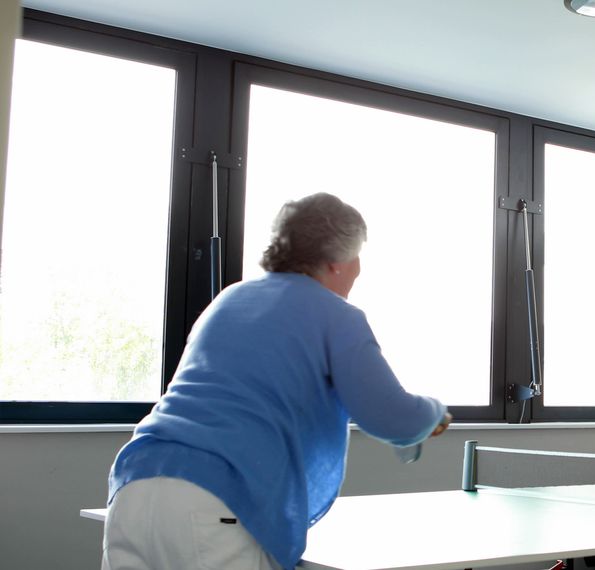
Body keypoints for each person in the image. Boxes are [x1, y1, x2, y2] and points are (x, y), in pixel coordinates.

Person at [102, 192, 452, 570]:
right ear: (335, 262)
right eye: (357, 256)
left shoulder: (231, 298)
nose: (359, 269)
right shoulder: (336, 315)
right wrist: (435, 413)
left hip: (134, 488)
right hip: (215, 500)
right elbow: (391, 416)